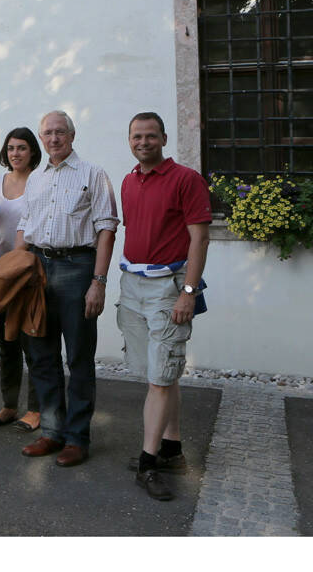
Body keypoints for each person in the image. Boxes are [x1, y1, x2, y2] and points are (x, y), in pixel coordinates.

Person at [16, 110, 118, 467]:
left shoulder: (94, 174)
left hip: (78, 269)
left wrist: (99, 282)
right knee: (42, 356)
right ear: (41, 139)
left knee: (78, 357)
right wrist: (16, 271)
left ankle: (77, 438)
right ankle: (51, 432)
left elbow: (107, 229)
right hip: (39, 270)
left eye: (61, 132)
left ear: (72, 136)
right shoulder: (36, 179)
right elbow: (26, 228)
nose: (54, 139)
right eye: (48, 133)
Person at [118, 112, 210, 500]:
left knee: (159, 379)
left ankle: (147, 461)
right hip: (132, 284)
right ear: (130, 140)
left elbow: (200, 239)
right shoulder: (128, 180)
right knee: (160, 373)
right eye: (137, 136)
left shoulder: (186, 180)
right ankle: (172, 449)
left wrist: (188, 292)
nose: (143, 142)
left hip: (167, 288)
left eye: (150, 136)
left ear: (164, 138)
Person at [0, 127, 43, 432]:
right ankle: (9, 405)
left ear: (32, 151)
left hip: (27, 275)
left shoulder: (41, 182)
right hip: (0, 275)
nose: (16, 154)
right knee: (6, 344)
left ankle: (35, 409)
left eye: (21, 148)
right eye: (10, 148)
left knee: (32, 343)